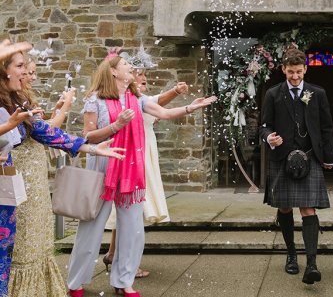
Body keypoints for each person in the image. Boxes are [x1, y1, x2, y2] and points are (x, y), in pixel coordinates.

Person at [66, 53, 216, 297]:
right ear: (113, 71)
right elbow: (87, 136)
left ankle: (123, 280)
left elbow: (164, 113)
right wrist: (115, 127)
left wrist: (191, 107)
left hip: (131, 171)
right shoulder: (96, 100)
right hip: (103, 166)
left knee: (133, 229)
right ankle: (76, 282)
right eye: (126, 64)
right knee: (91, 227)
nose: (131, 67)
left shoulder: (137, 98)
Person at [0, 50, 125, 296]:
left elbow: (47, 132)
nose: (26, 72)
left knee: (8, 249)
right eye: (21, 66)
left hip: (10, 186)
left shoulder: (15, 102)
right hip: (13, 180)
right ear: (4, 69)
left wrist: (91, 148)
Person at [103, 47, 189, 278]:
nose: (142, 78)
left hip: (145, 152)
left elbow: (155, 104)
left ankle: (114, 254)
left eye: (143, 75)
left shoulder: (138, 97)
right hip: (139, 157)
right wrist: (175, 92)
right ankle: (126, 263)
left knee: (129, 210)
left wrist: (176, 93)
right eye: (139, 74)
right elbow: (158, 104)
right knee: (133, 209)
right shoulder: (130, 98)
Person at [259, 47, 333, 285]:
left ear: (305, 69)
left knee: (308, 209)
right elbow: (264, 125)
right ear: (283, 69)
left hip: (309, 156)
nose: (295, 77)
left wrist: (329, 156)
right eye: (290, 72)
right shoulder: (273, 94)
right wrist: (268, 137)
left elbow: (326, 127)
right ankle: (291, 254)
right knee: (284, 208)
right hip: (282, 158)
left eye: (299, 72)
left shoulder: (317, 93)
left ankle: (311, 263)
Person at [8, 58, 76, 297]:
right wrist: (65, 108)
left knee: (38, 237)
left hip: (35, 172)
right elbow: (39, 133)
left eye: (33, 72)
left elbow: (43, 128)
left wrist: (59, 110)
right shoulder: (9, 101)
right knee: (25, 239)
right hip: (22, 172)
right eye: (27, 71)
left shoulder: (20, 96)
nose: (32, 76)